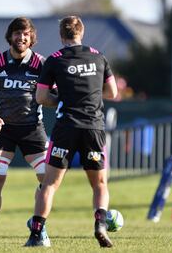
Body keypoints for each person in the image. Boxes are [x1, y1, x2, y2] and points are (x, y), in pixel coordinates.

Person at [24, 15, 118, 248]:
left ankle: (36, 234)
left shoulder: (54, 61)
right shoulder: (98, 56)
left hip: (66, 127)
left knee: (50, 184)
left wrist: (63, 98)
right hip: (94, 127)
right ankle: (100, 224)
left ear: (61, 35)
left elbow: (41, 97)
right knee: (99, 184)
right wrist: (92, 94)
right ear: (81, 33)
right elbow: (113, 92)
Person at [0, 17, 50, 247]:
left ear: (32, 38)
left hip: (33, 130)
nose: (21, 37)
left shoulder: (42, 65)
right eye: (17, 33)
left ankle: (39, 226)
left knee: (48, 181)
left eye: (26, 34)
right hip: (3, 132)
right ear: (10, 36)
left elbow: (52, 95)